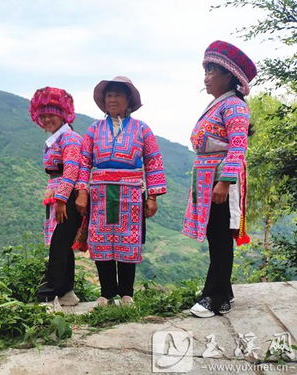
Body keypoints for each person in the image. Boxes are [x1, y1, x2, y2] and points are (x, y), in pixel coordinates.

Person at [75, 76, 167, 306]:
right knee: (100, 240)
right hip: (100, 194)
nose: (112, 99)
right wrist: (82, 191)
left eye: (117, 95)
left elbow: (153, 161)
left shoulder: (142, 129)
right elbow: (84, 161)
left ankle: (126, 293)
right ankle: (106, 293)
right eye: (109, 95)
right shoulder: (94, 130)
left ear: (128, 100)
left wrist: (152, 196)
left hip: (132, 193)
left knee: (128, 240)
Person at [183, 40, 257, 318]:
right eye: (205, 70)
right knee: (216, 238)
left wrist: (225, 182)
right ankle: (223, 293)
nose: (206, 77)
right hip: (208, 182)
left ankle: (213, 298)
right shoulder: (217, 105)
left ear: (229, 76)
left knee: (220, 238)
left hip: (220, 183)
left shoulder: (235, 107)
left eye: (212, 70)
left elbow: (238, 147)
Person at [29, 87, 83, 306]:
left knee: (58, 245)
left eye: (51, 113)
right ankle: (66, 292)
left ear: (63, 114)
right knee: (63, 244)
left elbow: (71, 170)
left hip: (66, 197)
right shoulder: (56, 139)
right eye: (43, 115)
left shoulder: (69, 138)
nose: (47, 119)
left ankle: (49, 294)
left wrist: (61, 200)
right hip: (57, 195)